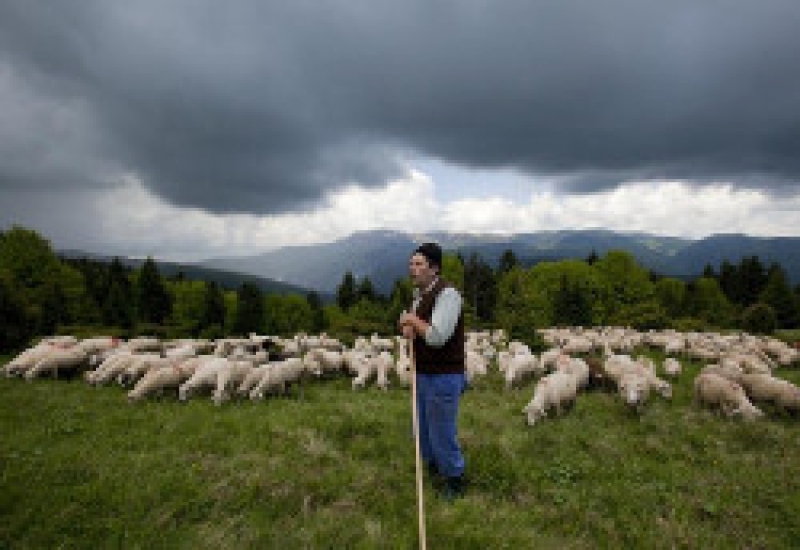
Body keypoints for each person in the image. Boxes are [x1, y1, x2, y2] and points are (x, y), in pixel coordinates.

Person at [398, 242, 467, 501]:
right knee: (423, 428)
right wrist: (408, 328)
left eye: (419, 264)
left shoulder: (448, 295)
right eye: (411, 264)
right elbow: (418, 329)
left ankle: (454, 479)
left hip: (443, 374)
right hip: (423, 372)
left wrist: (412, 320)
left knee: (441, 430)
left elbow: (437, 336)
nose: (412, 269)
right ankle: (435, 468)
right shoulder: (420, 296)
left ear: (434, 268)